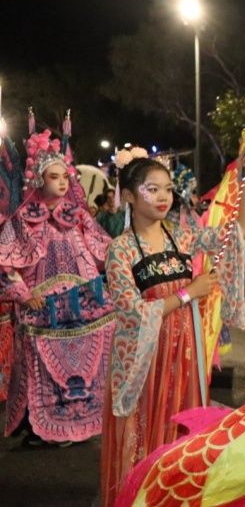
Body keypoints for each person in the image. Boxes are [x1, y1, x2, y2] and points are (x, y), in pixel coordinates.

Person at [99, 154, 245, 506]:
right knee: (143, 432)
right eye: (152, 189)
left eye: (167, 189)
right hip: (144, 359)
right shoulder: (120, 249)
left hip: (184, 351)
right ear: (129, 196)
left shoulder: (182, 237)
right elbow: (132, 311)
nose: (163, 197)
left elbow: (241, 231)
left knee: (180, 430)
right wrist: (188, 293)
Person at [0, 130, 116, 447]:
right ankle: (39, 429)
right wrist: (24, 296)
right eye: (55, 177)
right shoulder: (22, 218)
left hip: (84, 305)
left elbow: (106, 251)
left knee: (89, 366)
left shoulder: (78, 216)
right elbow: (5, 266)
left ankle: (80, 423)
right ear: (39, 179)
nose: (63, 183)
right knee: (39, 369)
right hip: (42, 309)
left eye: (65, 177)